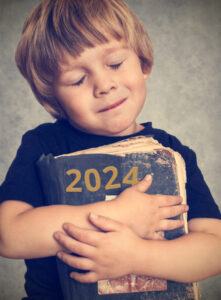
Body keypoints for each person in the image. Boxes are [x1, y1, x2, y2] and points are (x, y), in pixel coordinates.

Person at [0, 0, 220, 299]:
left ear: (143, 62)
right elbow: (9, 236)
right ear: (54, 100)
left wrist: (138, 256)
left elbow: (214, 247)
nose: (104, 84)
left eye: (115, 63)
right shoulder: (44, 145)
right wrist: (117, 214)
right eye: (77, 79)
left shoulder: (171, 151)